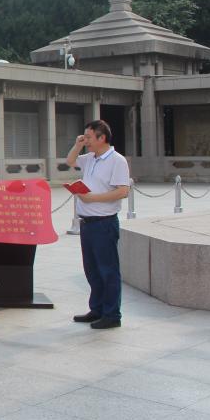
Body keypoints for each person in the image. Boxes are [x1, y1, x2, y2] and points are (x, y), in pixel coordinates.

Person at [66, 119, 130, 330]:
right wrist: (77, 145)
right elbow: (70, 161)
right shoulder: (90, 158)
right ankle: (97, 309)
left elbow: (123, 191)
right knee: (92, 270)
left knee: (108, 270)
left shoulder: (117, 161)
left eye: (89, 137)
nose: (86, 141)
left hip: (104, 223)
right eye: (84, 137)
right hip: (87, 223)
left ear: (102, 138)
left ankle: (112, 314)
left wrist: (92, 198)